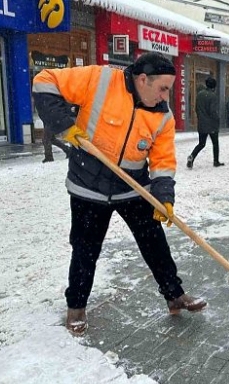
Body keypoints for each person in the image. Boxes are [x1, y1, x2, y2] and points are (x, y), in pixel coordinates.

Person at [33, 52, 207, 337]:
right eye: (163, 88)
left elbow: (163, 161)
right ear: (142, 80)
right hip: (88, 184)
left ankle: (174, 295)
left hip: (132, 186)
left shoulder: (162, 116)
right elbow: (44, 81)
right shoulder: (99, 80)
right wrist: (65, 125)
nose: (166, 96)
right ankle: (76, 307)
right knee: (86, 249)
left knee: (154, 242)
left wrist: (164, 197)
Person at [187, 77, 224, 168]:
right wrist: (217, 119)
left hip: (202, 123)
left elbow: (196, 108)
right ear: (214, 87)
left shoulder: (199, 94)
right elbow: (213, 111)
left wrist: (201, 117)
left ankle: (192, 156)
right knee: (215, 143)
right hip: (212, 125)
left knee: (201, 144)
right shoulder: (213, 96)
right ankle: (216, 161)